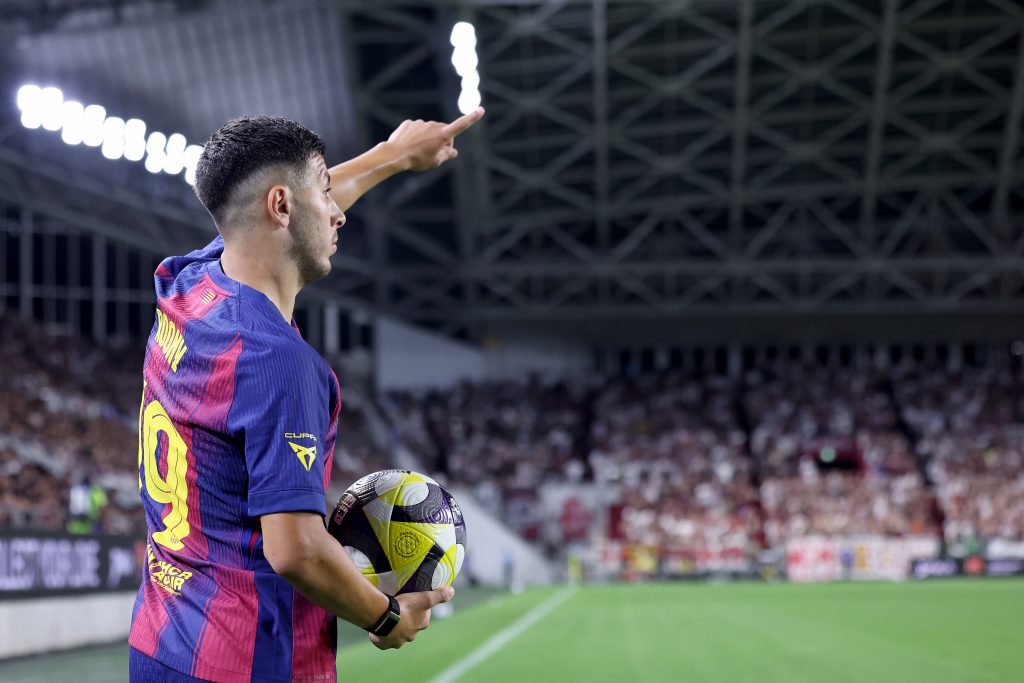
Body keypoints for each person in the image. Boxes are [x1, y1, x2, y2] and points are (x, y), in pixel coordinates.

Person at [128, 108, 484, 683]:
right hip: (248, 663)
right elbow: (295, 550)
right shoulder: (277, 361)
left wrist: (393, 155)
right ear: (281, 207)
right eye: (326, 193)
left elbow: (269, 209)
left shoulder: (188, 283)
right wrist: (387, 615)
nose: (340, 212)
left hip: (162, 641)